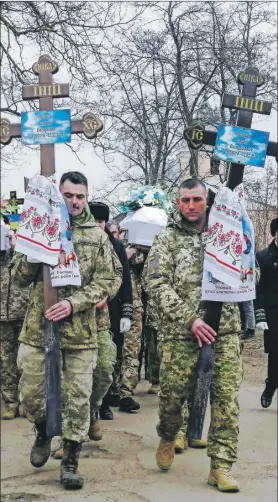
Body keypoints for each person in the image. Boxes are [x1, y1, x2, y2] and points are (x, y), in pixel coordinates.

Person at [11, 171, 120, 490]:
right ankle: (43, 430)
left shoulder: (96, 236)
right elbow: (18, 277)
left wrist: (75, 303)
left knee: (78, 399)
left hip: (80, 334)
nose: (74, 201)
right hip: (38, 328)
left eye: (80, 196)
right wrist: (34, 252)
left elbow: (108, 280)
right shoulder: (37, 227)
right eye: (69, 195)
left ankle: (71, 460)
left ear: (86, 197)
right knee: (31, 395)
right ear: (59, 195)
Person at [146, 178, 242, 492]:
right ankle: (169, 434)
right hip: (180, 333)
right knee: (173, 400)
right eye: (185, 200)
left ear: (207, 201)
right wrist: (191, 320)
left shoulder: (226, 231)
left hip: (223, 329)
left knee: (226, 401)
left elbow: (249, 271)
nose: (191, 206)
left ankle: (220, 466)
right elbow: (156, 285)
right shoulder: (167, 239)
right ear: (178, 202)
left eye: (197, 200)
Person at [89, 203, 133, 419]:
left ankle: (104, 403)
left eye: (101, 221)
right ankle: (90, 407)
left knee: (109, 359)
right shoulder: (82, 242)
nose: (97, 225)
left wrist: (127, 312)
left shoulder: (115, 245)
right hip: (87, 311)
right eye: (94, 220)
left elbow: (125, 280)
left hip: (112, 310)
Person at [0, 226, 29, 419]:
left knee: (25, 361)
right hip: (2, 316)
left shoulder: (22, 251)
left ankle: (27, 402)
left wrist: (15, 245)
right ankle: (11, 403)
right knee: (5, 362)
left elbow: (26, 270)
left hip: (24, 314)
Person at [254, 217, 278, 408]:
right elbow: (259, 288)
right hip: (273, 311)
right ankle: (270, 386)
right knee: (276, 354)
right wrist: (260, 315)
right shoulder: (263, 256)